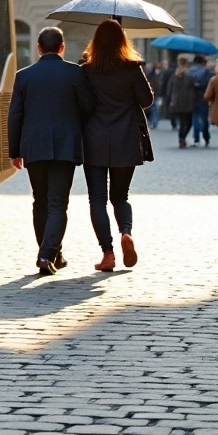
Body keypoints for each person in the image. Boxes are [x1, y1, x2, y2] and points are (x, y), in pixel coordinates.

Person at [7, 26, 96, 276]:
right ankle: (47, 254)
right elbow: (88, 106)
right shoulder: (75, 73)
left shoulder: (24, 76)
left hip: (33, 146)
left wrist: (14, 151)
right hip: (65, 145)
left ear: (38, 48)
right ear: (62, 47)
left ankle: (50, 253)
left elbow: (14, 116)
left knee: (40, 202)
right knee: (58, 204)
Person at [79, 20, 153, 272]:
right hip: (126, 140)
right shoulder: (132, 68)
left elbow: (82, 103)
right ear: (123, 41)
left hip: (94, 141)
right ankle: (126, 233)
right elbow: (146, 100)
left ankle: (108, 254)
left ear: (95, 42)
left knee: (97, 199)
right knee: (120, 196)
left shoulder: (86, 70)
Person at [162, 56, 199, 147]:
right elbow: (196, 86)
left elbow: (169, 90)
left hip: (177, 102)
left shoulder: (173, 78)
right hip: (188, 103)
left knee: (182, 122)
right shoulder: (189, 78)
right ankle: (182, 138)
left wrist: (170, 100)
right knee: (188, 123)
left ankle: (181, 139)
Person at [188, 55, 214, 147]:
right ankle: (206, 137)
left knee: (195, 117)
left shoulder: (188, 72)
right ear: (203, 63)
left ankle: (196, 138)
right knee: (204, 118)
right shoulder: (207, 72)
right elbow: (208, 84)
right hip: (203, 97)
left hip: (192, 98)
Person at [144, 61, 164, 128]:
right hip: (154, 94)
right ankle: (154, 122)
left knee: (152, 109)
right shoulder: (155, 76)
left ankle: (153, 122)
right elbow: (158, 86)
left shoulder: (148, 76)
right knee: (154, 109)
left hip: (150, 94)